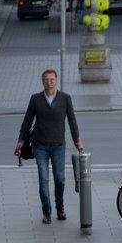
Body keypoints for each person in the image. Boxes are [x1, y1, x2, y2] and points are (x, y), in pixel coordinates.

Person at [15, 69, 83, 224]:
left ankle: (60, 207)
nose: (49, 82)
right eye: (46, 79)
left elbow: (72, 121)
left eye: (52, 79)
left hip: (59, 145)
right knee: (43, 179)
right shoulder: (35, 99)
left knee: (60, 179)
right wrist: (21, 140)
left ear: (56, 80)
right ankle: (47, 211)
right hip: (40, 146)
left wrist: (77, 140)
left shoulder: (65, 98)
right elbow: (27, 121)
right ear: (42, 81)